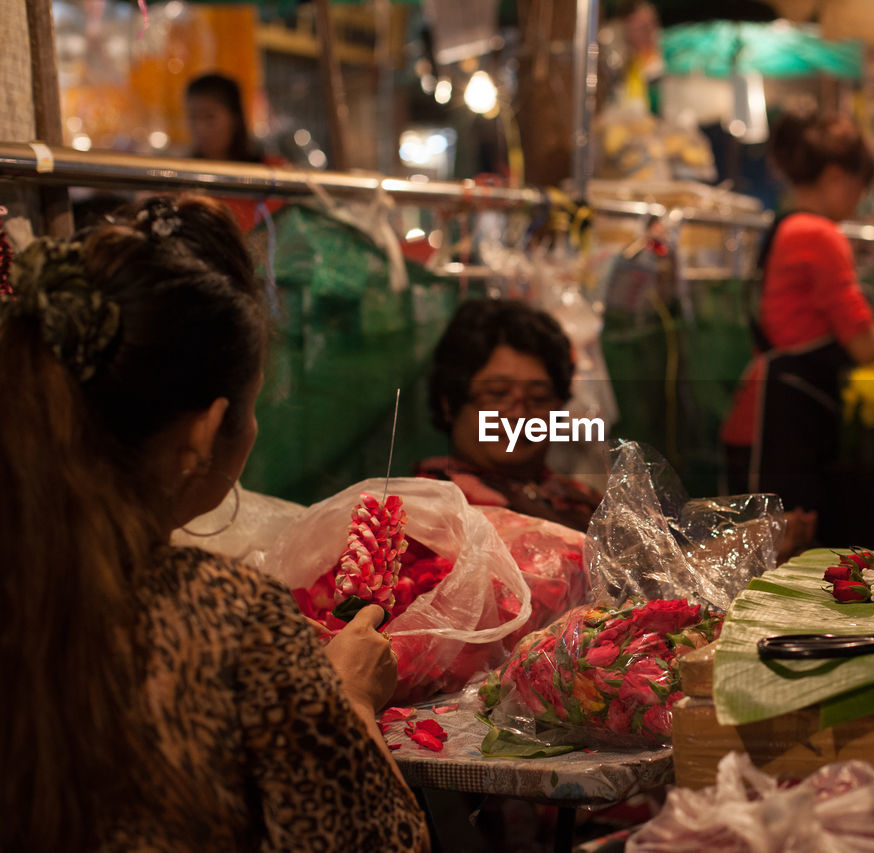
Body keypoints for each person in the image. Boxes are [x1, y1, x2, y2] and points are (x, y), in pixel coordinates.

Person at [0, 196, 429, 851]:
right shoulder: (233, 619)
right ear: (203, 434)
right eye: (252, 402)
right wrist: (350, 695)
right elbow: (376, 842)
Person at [721, 110, 874, 543]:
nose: (860, 200)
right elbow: (864, 346)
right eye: (861, 187)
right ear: (837, 176)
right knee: (787, 563)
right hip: (781, 423)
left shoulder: (787, 224)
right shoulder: (820, 235)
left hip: (772, 410)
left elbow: (835, 334)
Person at [419, 298, 603, 532]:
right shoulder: (426, 511)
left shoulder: (585, 501)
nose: (519, 414)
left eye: (538, 397)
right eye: (497, 394)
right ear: (449, 404)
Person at [184, 73, 284, 231]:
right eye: (193, 118)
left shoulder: (271, 173)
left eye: (210, 117)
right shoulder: (182, 179)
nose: (200, 128)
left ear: (234, 118)